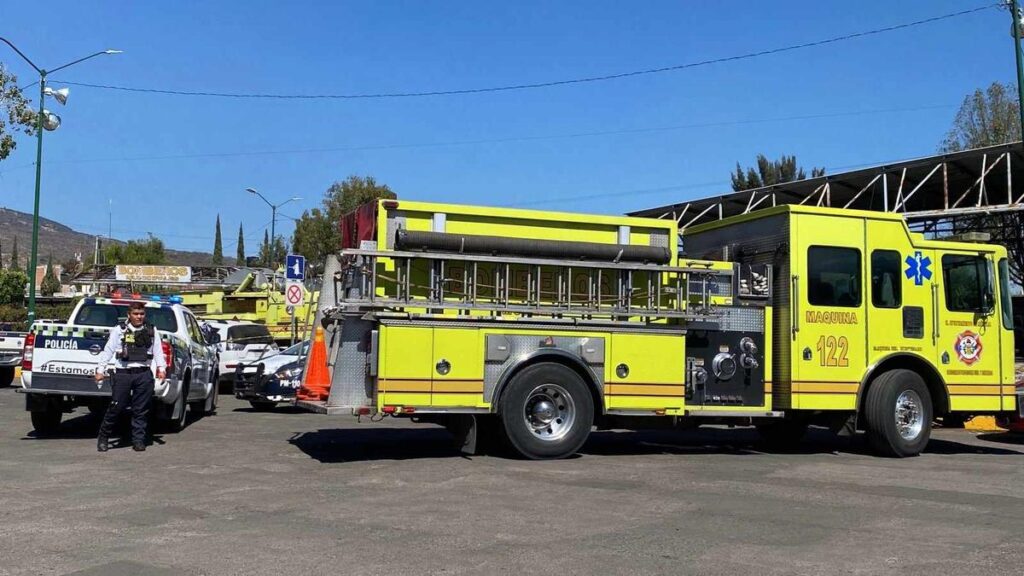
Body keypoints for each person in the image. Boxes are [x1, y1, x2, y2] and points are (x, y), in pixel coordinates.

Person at [94, 301, 166, 452]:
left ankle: (138, 440)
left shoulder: (151, 330)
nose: (139, 317)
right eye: (135, 314)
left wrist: (161, 368)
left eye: (141, 314)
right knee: (116, 406)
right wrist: (100, 370)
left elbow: (158, 350)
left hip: (143, 373)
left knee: (141, 409)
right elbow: (108, 350)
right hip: (123, 374)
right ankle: (103, 437)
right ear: (129, 315)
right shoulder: (119, 330)